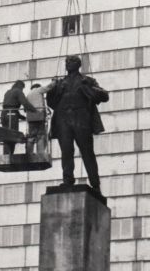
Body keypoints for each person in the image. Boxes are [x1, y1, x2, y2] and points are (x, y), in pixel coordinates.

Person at [46, 55, 109, 196]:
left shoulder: (87, 80)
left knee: (87, 153)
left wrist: (90, 88)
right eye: (67, 62)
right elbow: (50, 102)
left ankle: (95, 184)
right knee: (66, 152)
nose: (68, 64)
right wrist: (53, 89)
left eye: (71, 61)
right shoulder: (60, 82)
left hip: (81, 119)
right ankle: (68, 180)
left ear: (78, 64)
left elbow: (104, 96)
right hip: (63, 120)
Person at [0, 80, 37, 154]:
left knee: (6, 135)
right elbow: (25, 103)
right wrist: (35, 110)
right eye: (23, 88)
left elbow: (9, 105)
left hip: (4, 114)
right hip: (11, 115)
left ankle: (7, 154)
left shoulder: (8, 92)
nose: (22, 89)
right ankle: (9, 155)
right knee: (12, 135)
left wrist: (22, 117)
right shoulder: (18, 91)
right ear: (20, 86)